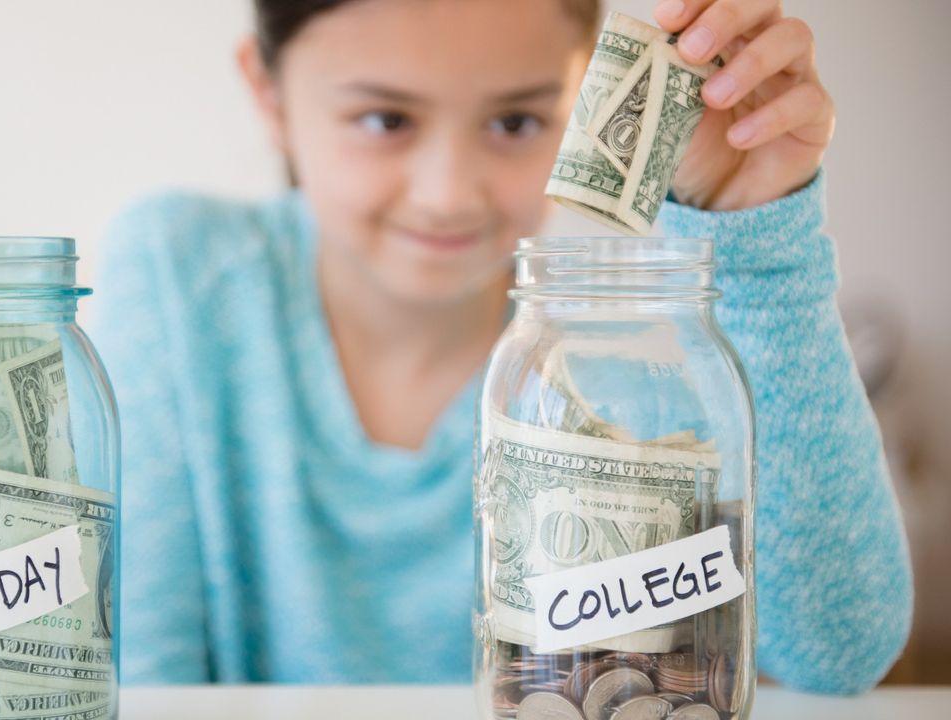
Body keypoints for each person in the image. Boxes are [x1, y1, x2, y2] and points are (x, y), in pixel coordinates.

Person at [92, 0, 913, 692]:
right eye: (385, 120)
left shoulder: (634, 335)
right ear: (268, 94)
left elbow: (838, 653)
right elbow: (141, 681)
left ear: (588, 90)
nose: (449, 194)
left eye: (516, 121)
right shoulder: (175, 273)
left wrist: (757, 244)